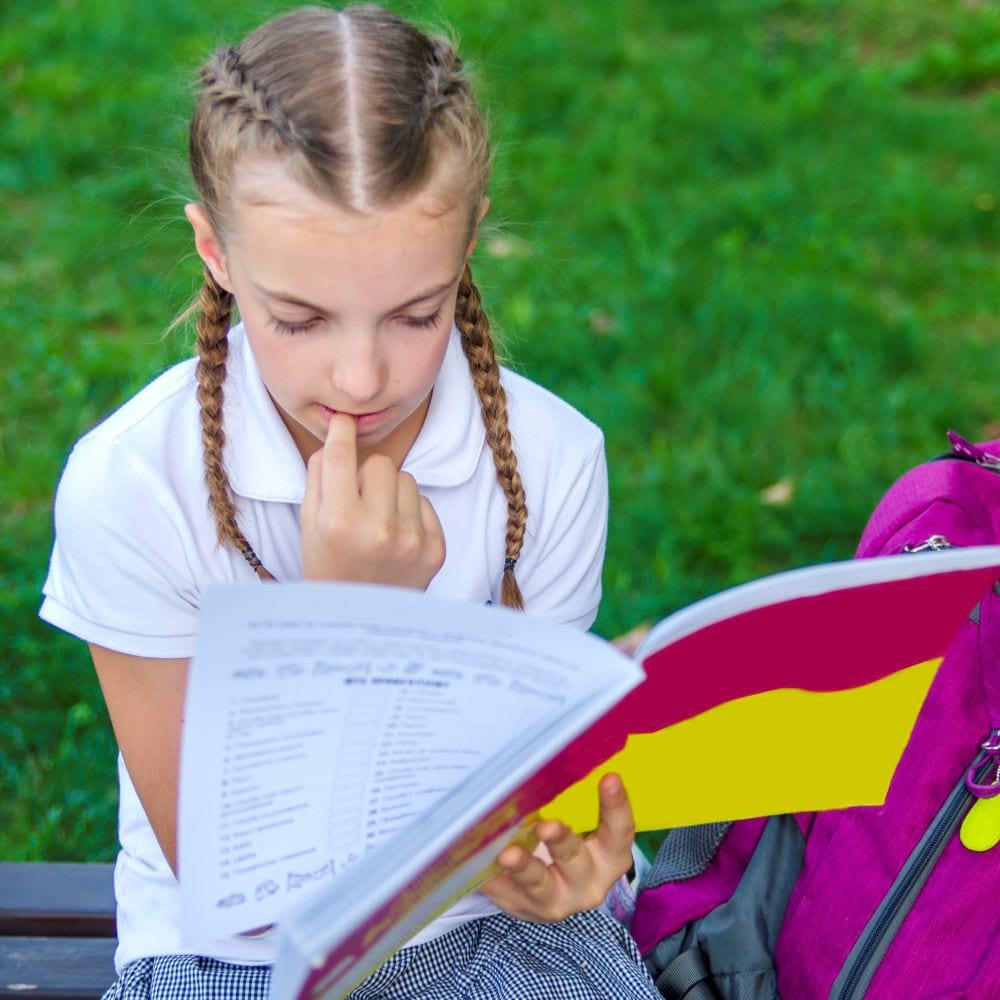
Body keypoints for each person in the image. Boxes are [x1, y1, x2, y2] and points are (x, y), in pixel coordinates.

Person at [39, 4, 662, 997]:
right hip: (232, 955)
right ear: (216, 254)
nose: (363, 376)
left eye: (416, 314)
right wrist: (341, 618)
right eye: (299, 318)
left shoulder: (550, 460)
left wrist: (568, 866)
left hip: (477, 926)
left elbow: (527, 785)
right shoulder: (133, 485)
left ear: (469, 242)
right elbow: (232, 883)